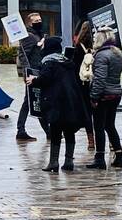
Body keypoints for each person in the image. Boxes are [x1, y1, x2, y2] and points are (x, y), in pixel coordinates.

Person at [28, 37, 90, 172]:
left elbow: (45, 79)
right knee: (69, 131)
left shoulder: (49, 62)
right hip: (71, 100)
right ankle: (68, 161)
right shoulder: (67, 62)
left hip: (56, 101)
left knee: (56, 130)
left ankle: (53, 162)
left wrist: (34, 80)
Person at [88, 28, 122, 170]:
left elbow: (100, 78)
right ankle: (119, 157)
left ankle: (99, 158)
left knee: (98, 126)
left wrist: (94, 96)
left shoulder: (101, 55)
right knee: (110, 125)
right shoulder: (117, 53)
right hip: (116, 93)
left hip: (104, 95)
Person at [16, 13, 50, 142]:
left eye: (40, 19)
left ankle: (22, 129)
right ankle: (22, 130)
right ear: (29, 23)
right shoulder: (29, 36)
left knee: (32, 101)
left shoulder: (38, 35)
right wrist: (27, 73)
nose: (39, 22)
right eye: (36, 20)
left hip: (38, 71)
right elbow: (23, 55)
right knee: (33, 101)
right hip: (33, 73)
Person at [71, 21, 96, 151]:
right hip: (94, 83)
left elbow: (74, 68)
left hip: (82, 84)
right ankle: (104, 141)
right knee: (97, 114)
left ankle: (90, 140)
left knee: (84, 112)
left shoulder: (77, 48)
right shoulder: (96, 47)